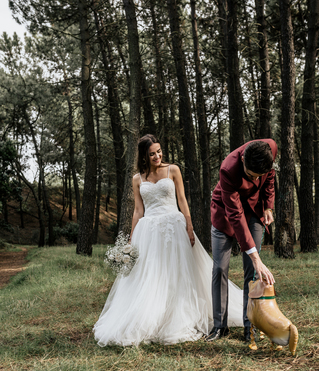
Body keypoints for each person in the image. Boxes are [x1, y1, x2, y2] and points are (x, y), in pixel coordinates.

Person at [93, 134, 243, 347]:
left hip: (174, 226)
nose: (157, 156)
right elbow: (138, 210)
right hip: (149, 230)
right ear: (144, 156)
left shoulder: (173, 170)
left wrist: (189, 225)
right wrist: (132, 237)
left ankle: (182, 313)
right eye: (152, 153)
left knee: (178, 272)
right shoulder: (137, 179)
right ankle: (153, 317)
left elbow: (182, 200)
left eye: (159, 151)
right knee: (151, 274)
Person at [207, 139, 277, 343]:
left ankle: (251, 326)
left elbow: (270, 177)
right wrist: (255, 256)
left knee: (252, 272)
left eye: (257, 176)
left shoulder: (270, 148)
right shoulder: (228, 168)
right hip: (226, 212)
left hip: (255, 210)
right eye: (249, 174)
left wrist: (268, 206)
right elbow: (235, 216)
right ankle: (220, 326)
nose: (253, 179)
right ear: (244, 158)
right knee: (220, 268)